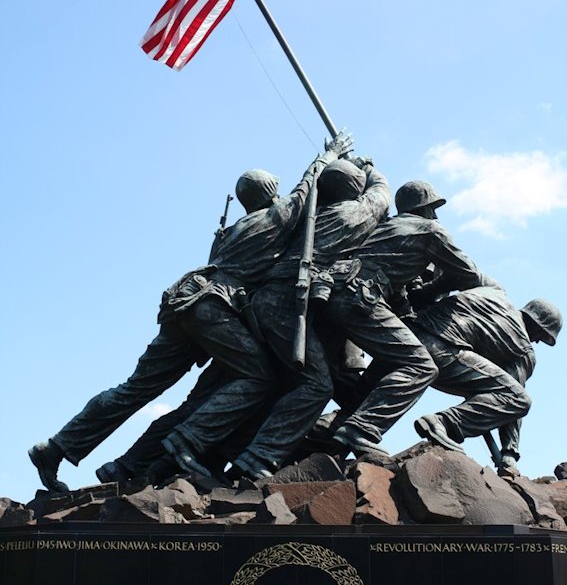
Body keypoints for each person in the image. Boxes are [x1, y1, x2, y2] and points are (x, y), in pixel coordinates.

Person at [29, 132, 352, 491]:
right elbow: (306, 190)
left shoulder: (230, 232)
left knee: (135, 389)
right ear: (271, 193)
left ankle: (58, 446)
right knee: (260, 377)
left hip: (183, 300)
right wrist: (330, 155)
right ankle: (187, 440)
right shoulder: (273, 218)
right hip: (211, 307)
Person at [212, 156, 392, 479]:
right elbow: (381, 194)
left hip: (269, 305)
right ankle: (258, 457)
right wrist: (367, 167)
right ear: (354, 189)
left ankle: (260, 448)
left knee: (304, 383)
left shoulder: (305, 222)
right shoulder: (353, 214)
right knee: (316, 385)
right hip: (284, 304)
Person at [315, 180, 488, 459]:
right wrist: (433, 289)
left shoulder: (385, 227)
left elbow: (394, 286)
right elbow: (470, 276)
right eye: (433, 208)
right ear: (425, 209)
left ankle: (326, 432)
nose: (436, 215)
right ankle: (360, 429)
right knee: (420, 366)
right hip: (361, 299)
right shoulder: (431, 230)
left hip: (334, 294)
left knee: (354, 381)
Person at [410, 287, 562, 474]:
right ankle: (443, 423)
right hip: (443, 352)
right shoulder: (523, 348)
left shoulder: (497, 301)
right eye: (542, 335)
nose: (538, 341)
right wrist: (509, 454)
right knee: (519, 400)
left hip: (409, 336)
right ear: (537, 324)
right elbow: (513, 399)